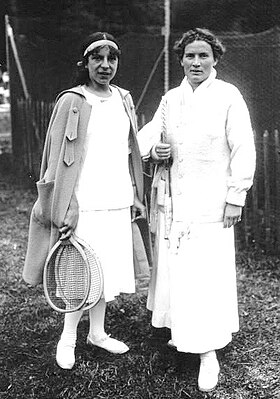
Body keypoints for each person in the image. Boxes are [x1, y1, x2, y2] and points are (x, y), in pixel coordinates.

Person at [137, 28, 256, 392]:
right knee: (178, 271)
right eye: (189, 55)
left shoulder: (228, 96)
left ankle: (208, 354)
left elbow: (243, 148)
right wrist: (152, 150)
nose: (196, 62)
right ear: (182, 60)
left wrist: (236, 196)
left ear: (215, 58)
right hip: (175, 201)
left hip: (212, 204)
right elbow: (148, 136)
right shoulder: (171, 99)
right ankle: (181, 334)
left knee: (205, 275)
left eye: (203, 55)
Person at [23, 32, 146, 370]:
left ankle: (98, 332)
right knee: (80, 271)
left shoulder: (124, 98)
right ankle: (68, 337)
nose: (105, 66)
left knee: (105, 269)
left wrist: (135, 194)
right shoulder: (72, 100)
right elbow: (55, 157)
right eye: (97, 58)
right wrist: (66, 203)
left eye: (112, 59)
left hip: (117, 198)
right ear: (85, 62)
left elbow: (129, 151)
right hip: (83, 201)